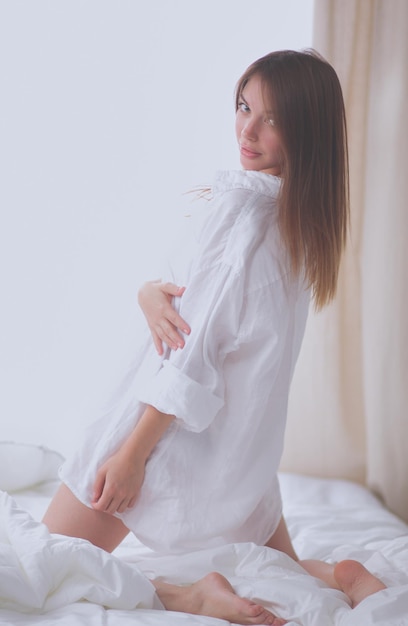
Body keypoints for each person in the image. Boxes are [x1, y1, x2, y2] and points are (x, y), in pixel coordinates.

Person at [42, 49, 386, 623]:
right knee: (277, 565)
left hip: (166, 439)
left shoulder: (245, 218)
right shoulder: (298, 227)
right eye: (244, 106)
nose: (247, 129)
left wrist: (131, 456)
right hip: (241, 458)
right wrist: (146, 293)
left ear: (306, 130)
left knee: (48, 563)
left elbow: (192, 357)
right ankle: (332, 575)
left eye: (271, 119)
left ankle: (189, 594)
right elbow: (217, 320)